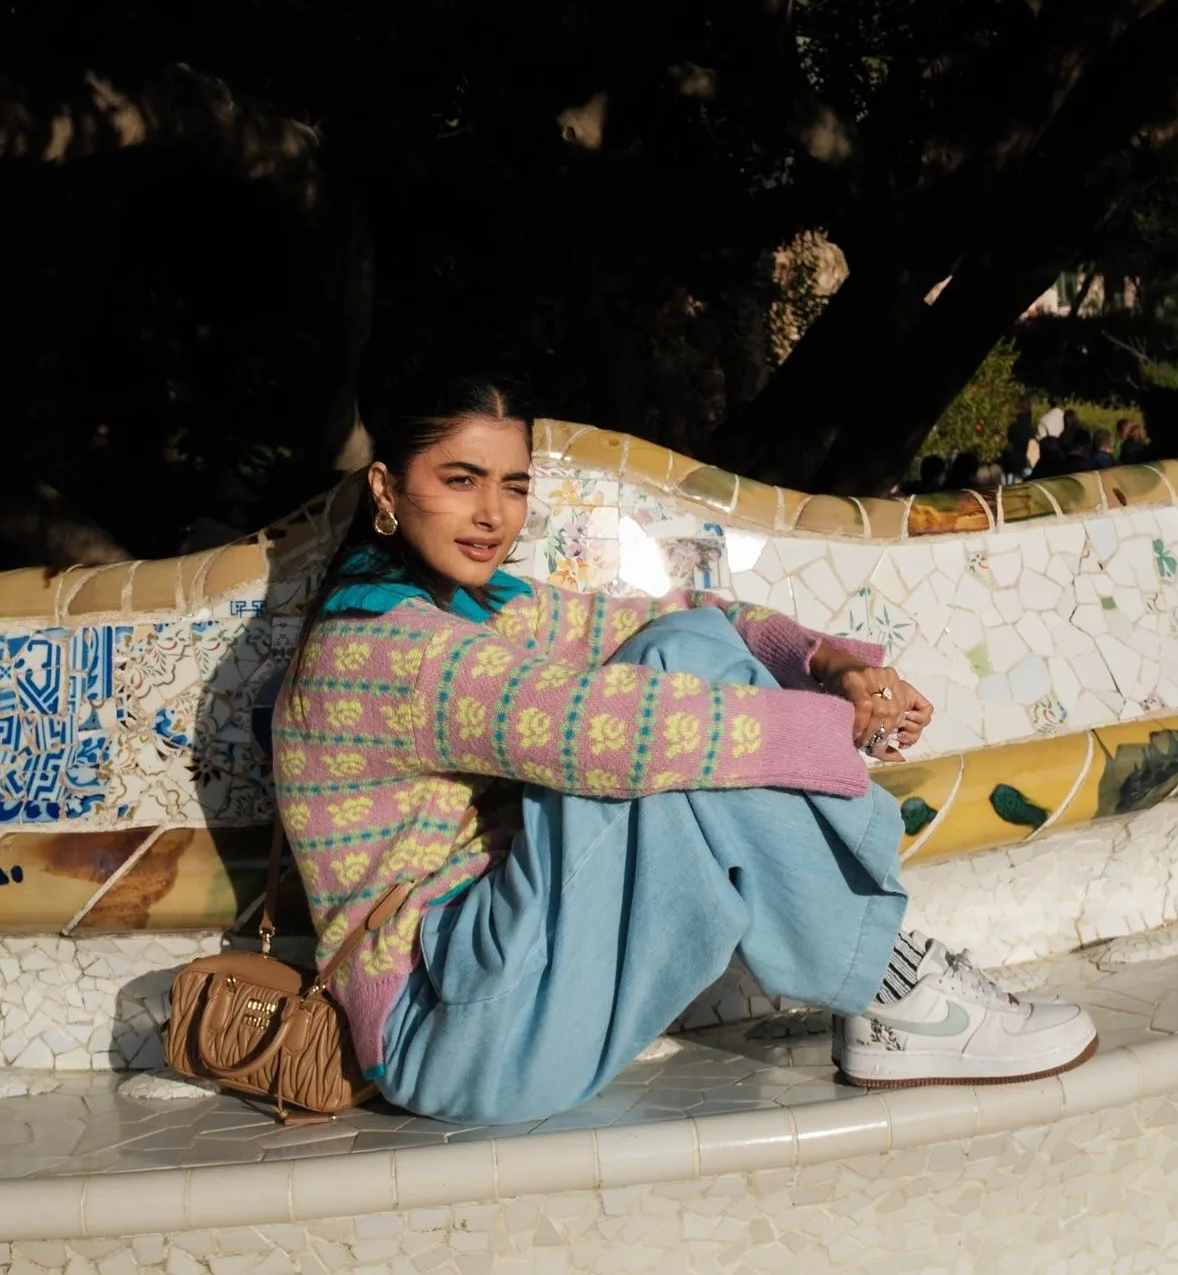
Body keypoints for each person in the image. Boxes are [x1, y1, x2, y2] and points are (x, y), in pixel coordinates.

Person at [272, 371, 1097, 1126]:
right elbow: (602, 728)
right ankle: (892, 986)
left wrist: (826, 660)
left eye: (513, 485)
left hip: (499, 975)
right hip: (453, 1028)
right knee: (673, 713)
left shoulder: (476, 605)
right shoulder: (379, 649)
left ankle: (883, 981)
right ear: (387, 484)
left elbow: (667, 616)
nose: (493, 513)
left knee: (684, 646)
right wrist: (826, 728)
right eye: (460, 480)